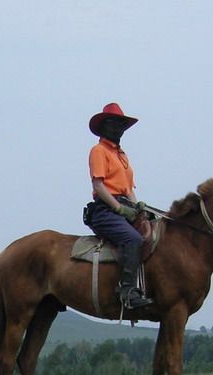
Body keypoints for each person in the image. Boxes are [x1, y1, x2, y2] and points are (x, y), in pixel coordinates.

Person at [83, 102, 153, 310]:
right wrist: (119, 208)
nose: (119, 129)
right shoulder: (98, 151)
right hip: (105, 209)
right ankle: (127, 291)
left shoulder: (121, 156)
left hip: (124, 207)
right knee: (132, 239)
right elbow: (98, 184)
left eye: (122, 124)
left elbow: (128, 188)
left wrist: (138, 206)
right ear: (104, 126)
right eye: (114, 124)